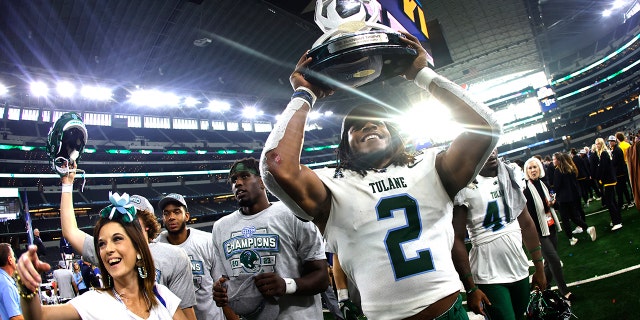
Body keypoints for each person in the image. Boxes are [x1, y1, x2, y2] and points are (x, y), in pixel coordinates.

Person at [260, 31, 501, 319]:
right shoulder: (332, 186)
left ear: (393, 134)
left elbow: (486, 126)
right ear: (345, 145)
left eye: (378, 123)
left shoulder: (432, 166)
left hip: (448, 311)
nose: (369, 127)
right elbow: (276, 165)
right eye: (357, 127)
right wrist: (305, 94)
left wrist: (421, 74)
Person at [15, 192, 186, 320]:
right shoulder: (94, 302)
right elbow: (39, 315)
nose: (107, 249)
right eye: (101, 244)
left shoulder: (162, 296)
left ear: (138, 249)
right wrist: (27, 290)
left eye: (117, 239)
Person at [58, 169, 197, 320]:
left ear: (148, 225)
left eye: (133, 216)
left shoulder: (174, 256)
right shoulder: (110, 249)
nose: (126, 219)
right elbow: (70, 231)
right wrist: (67, 183)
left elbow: (186, 311)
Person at [211, 158, 328, 319]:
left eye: (244, 176)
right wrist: (221, 292)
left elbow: (322, 277)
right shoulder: (220, 227)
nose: (237, 183)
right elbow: (227, 281)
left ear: (262, 182)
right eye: (233, 180)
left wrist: (286, 285)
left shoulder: (293, 213)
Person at [451, 149, 546, 319]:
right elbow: (456, 238)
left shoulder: (511, 174)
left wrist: (539, 267)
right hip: (487, 272)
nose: (491, 152)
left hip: (519, 264)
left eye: (493, 146)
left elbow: (526, 222)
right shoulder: (464, 185)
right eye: (485, 147)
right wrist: (470, 287)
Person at [156, 193, 224, 320]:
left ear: (187, 216)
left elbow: (221, 286)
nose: (171, 217)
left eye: (176, 212)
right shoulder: (156, 247)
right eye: (166, 213)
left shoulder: (207, 241)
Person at [522, 157, 574, 301]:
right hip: (539, 232)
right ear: (526, 171)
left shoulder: (543, 184)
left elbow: (552, 207)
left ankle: (544, 287)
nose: (533, 170)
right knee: (555, 261)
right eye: (530, 168)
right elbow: (529, 216)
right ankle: (564, 292)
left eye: (535, 167)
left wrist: (552, 203)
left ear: (540, 169)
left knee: (549, 262)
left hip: (550, 227)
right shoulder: (526, 190)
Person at [552, 152, 596, 245]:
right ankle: (587, 228)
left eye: (554, 159)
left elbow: (556, 186)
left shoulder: (557, 171)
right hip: (572, 196)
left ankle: (571, 238)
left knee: (565, 219)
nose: (553, 161)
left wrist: (553, 195)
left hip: (563, 199)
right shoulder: (570, 168)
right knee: (573, 217)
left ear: (559, 160)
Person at [595, 137, 622, 230]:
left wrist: (600, 179)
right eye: (596, 144)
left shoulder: (604, 153)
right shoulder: (604, 153)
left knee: (610, 202)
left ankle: (617, 222)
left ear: (601, 144)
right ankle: (617, 220)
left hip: (608, 181)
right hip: (609, 180)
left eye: (598, 143)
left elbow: (603, 168)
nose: (596, 145)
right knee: (612, 201)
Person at [609, 135, 633, 211]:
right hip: (621, 171)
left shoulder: (617, 150)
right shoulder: (616, 149)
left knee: (620, 189)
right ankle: (628, 202)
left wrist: (611, 162)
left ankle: (623, 203)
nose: (609, 143)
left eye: (610, 141)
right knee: (623, 189)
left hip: (620, 172)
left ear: (614, 142)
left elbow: (616, 162)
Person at [0, 243, 23, 320]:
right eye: (13, 256)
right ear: (10, 260)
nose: (15, 259)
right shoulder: (6, 285)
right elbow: (15, 317)